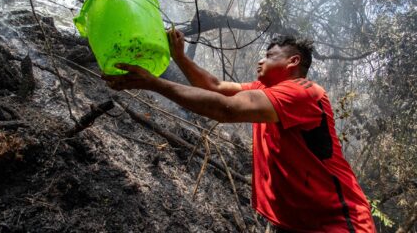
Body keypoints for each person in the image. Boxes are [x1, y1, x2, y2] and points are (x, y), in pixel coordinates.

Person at [102, 30, 376, 232]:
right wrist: (180, 58)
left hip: (338, 222)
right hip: (291, 223)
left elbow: (227, 109)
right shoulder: (263, 91)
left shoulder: (304, 92)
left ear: (293, 62)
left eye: (269, 56)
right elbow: (216, 87)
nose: (260, 61)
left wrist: (155, 84)